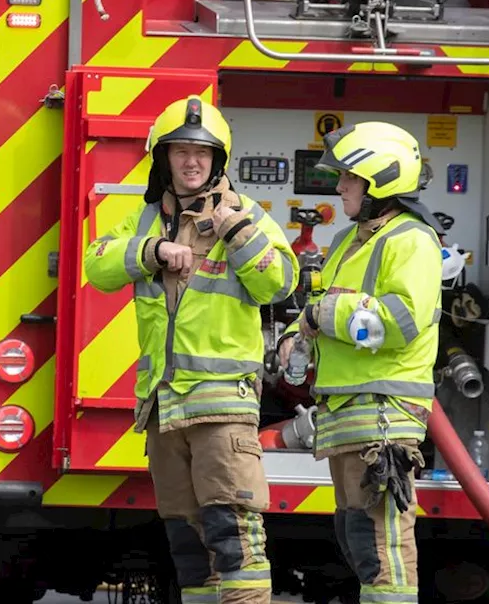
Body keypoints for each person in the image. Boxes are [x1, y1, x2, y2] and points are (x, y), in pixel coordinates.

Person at [84, 95, 298, 604]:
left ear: (218, 160)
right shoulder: (145, 221)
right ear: (164, 158)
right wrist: (151, 252)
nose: (192, 161)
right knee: (186, 543)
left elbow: (281, 282)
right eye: (181, 150)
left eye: (203, 152)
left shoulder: (245, 215)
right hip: (164, 408)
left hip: (222, 409)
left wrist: (236, 231)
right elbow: (98, 263)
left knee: (234, 537)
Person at [277, 122, 444, 604]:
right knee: (360, 541)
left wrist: (320, 316)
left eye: (350, 177)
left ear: (381, 181)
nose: (340, 186)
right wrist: (293, 337)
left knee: (383, 545)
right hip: (350, 420)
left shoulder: (411, 240)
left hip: (384, 420)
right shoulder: (350, 242)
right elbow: (316, 305)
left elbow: (400, 320)